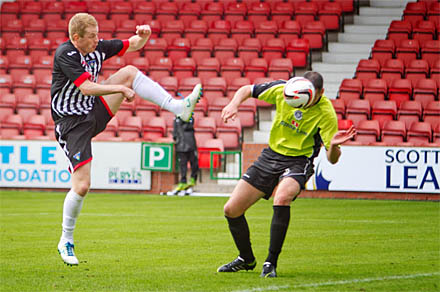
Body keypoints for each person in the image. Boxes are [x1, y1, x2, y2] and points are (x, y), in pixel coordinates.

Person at [53, 13, 202, 266]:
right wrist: (119, 89)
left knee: (130, 71)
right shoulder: (65, 54)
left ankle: (179, 108)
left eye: (97, 34)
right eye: (92, 36)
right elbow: (86, 87)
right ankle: (66, 240)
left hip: (93, 111)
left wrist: (143, 37)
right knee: (81, 186)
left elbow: (132, 44)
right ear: (76, 37)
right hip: (72, 125)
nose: (97, 40)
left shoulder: (97, 47)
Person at [216, 72, 356, 277]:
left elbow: (333, 159)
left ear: (321, 93)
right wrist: (233, 104)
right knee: (231, 209)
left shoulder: (326, 113)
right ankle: (246, 259)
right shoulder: (285, 90)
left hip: (299, 161)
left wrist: (333, 147)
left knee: (281, 198)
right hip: (270, 155)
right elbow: (247, 89)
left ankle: (270, 262)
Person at [171, 116, 199, 194]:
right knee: (182, 164)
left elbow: (188, 127)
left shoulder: (189, 117)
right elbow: (175, 131)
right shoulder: (176, 118)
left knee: (194, 163)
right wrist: (175, 138)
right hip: (180, 144)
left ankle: (193, 179)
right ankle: (183, 182)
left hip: (190, 143)